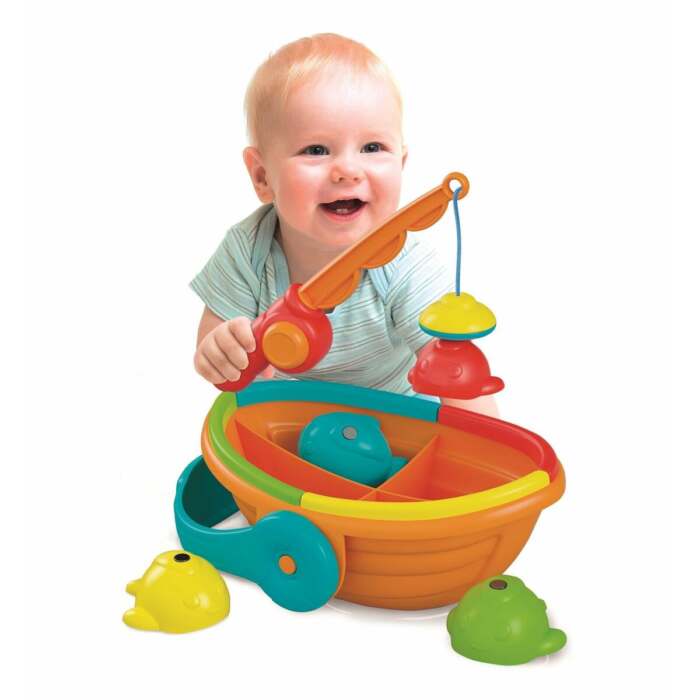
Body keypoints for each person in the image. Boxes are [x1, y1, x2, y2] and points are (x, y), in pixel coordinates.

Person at [191, 33, 497, 416]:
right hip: (290, 415)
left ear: (401, 165)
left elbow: (457, 377)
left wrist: (487, 448)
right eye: (316, 150)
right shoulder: (248, 248)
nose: (348, 170)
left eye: (372, 148)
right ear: (262, 177)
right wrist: (221, 351)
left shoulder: (406, 267)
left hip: (398, 416)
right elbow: (216, 344)